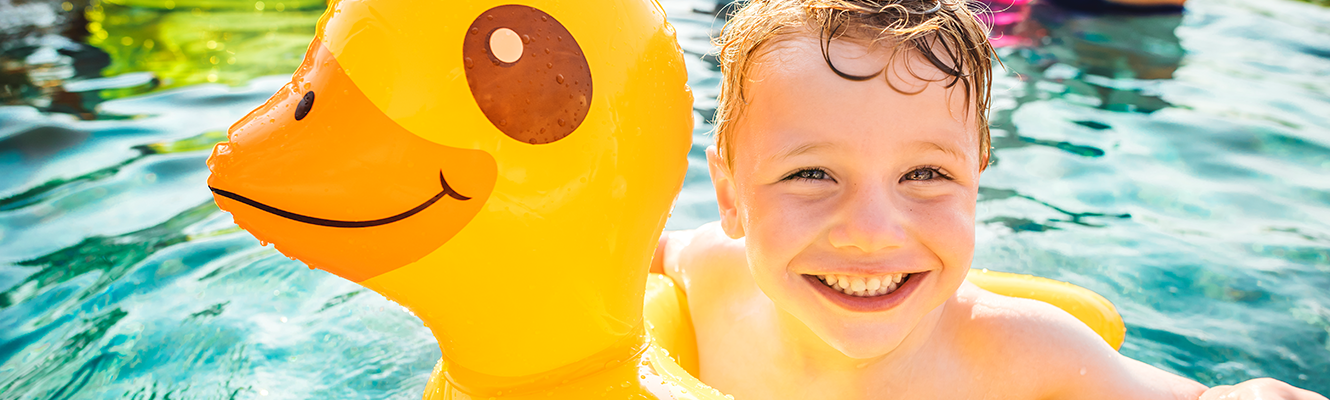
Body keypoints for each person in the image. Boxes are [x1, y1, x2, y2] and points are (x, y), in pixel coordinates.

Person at [650, 0, 1326, 399]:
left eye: (924, 176)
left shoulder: (1020, 355)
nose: (870, 231)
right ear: (730, 195)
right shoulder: (710, 276)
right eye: (811, 175)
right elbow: (640, 251)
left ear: (978, 177)